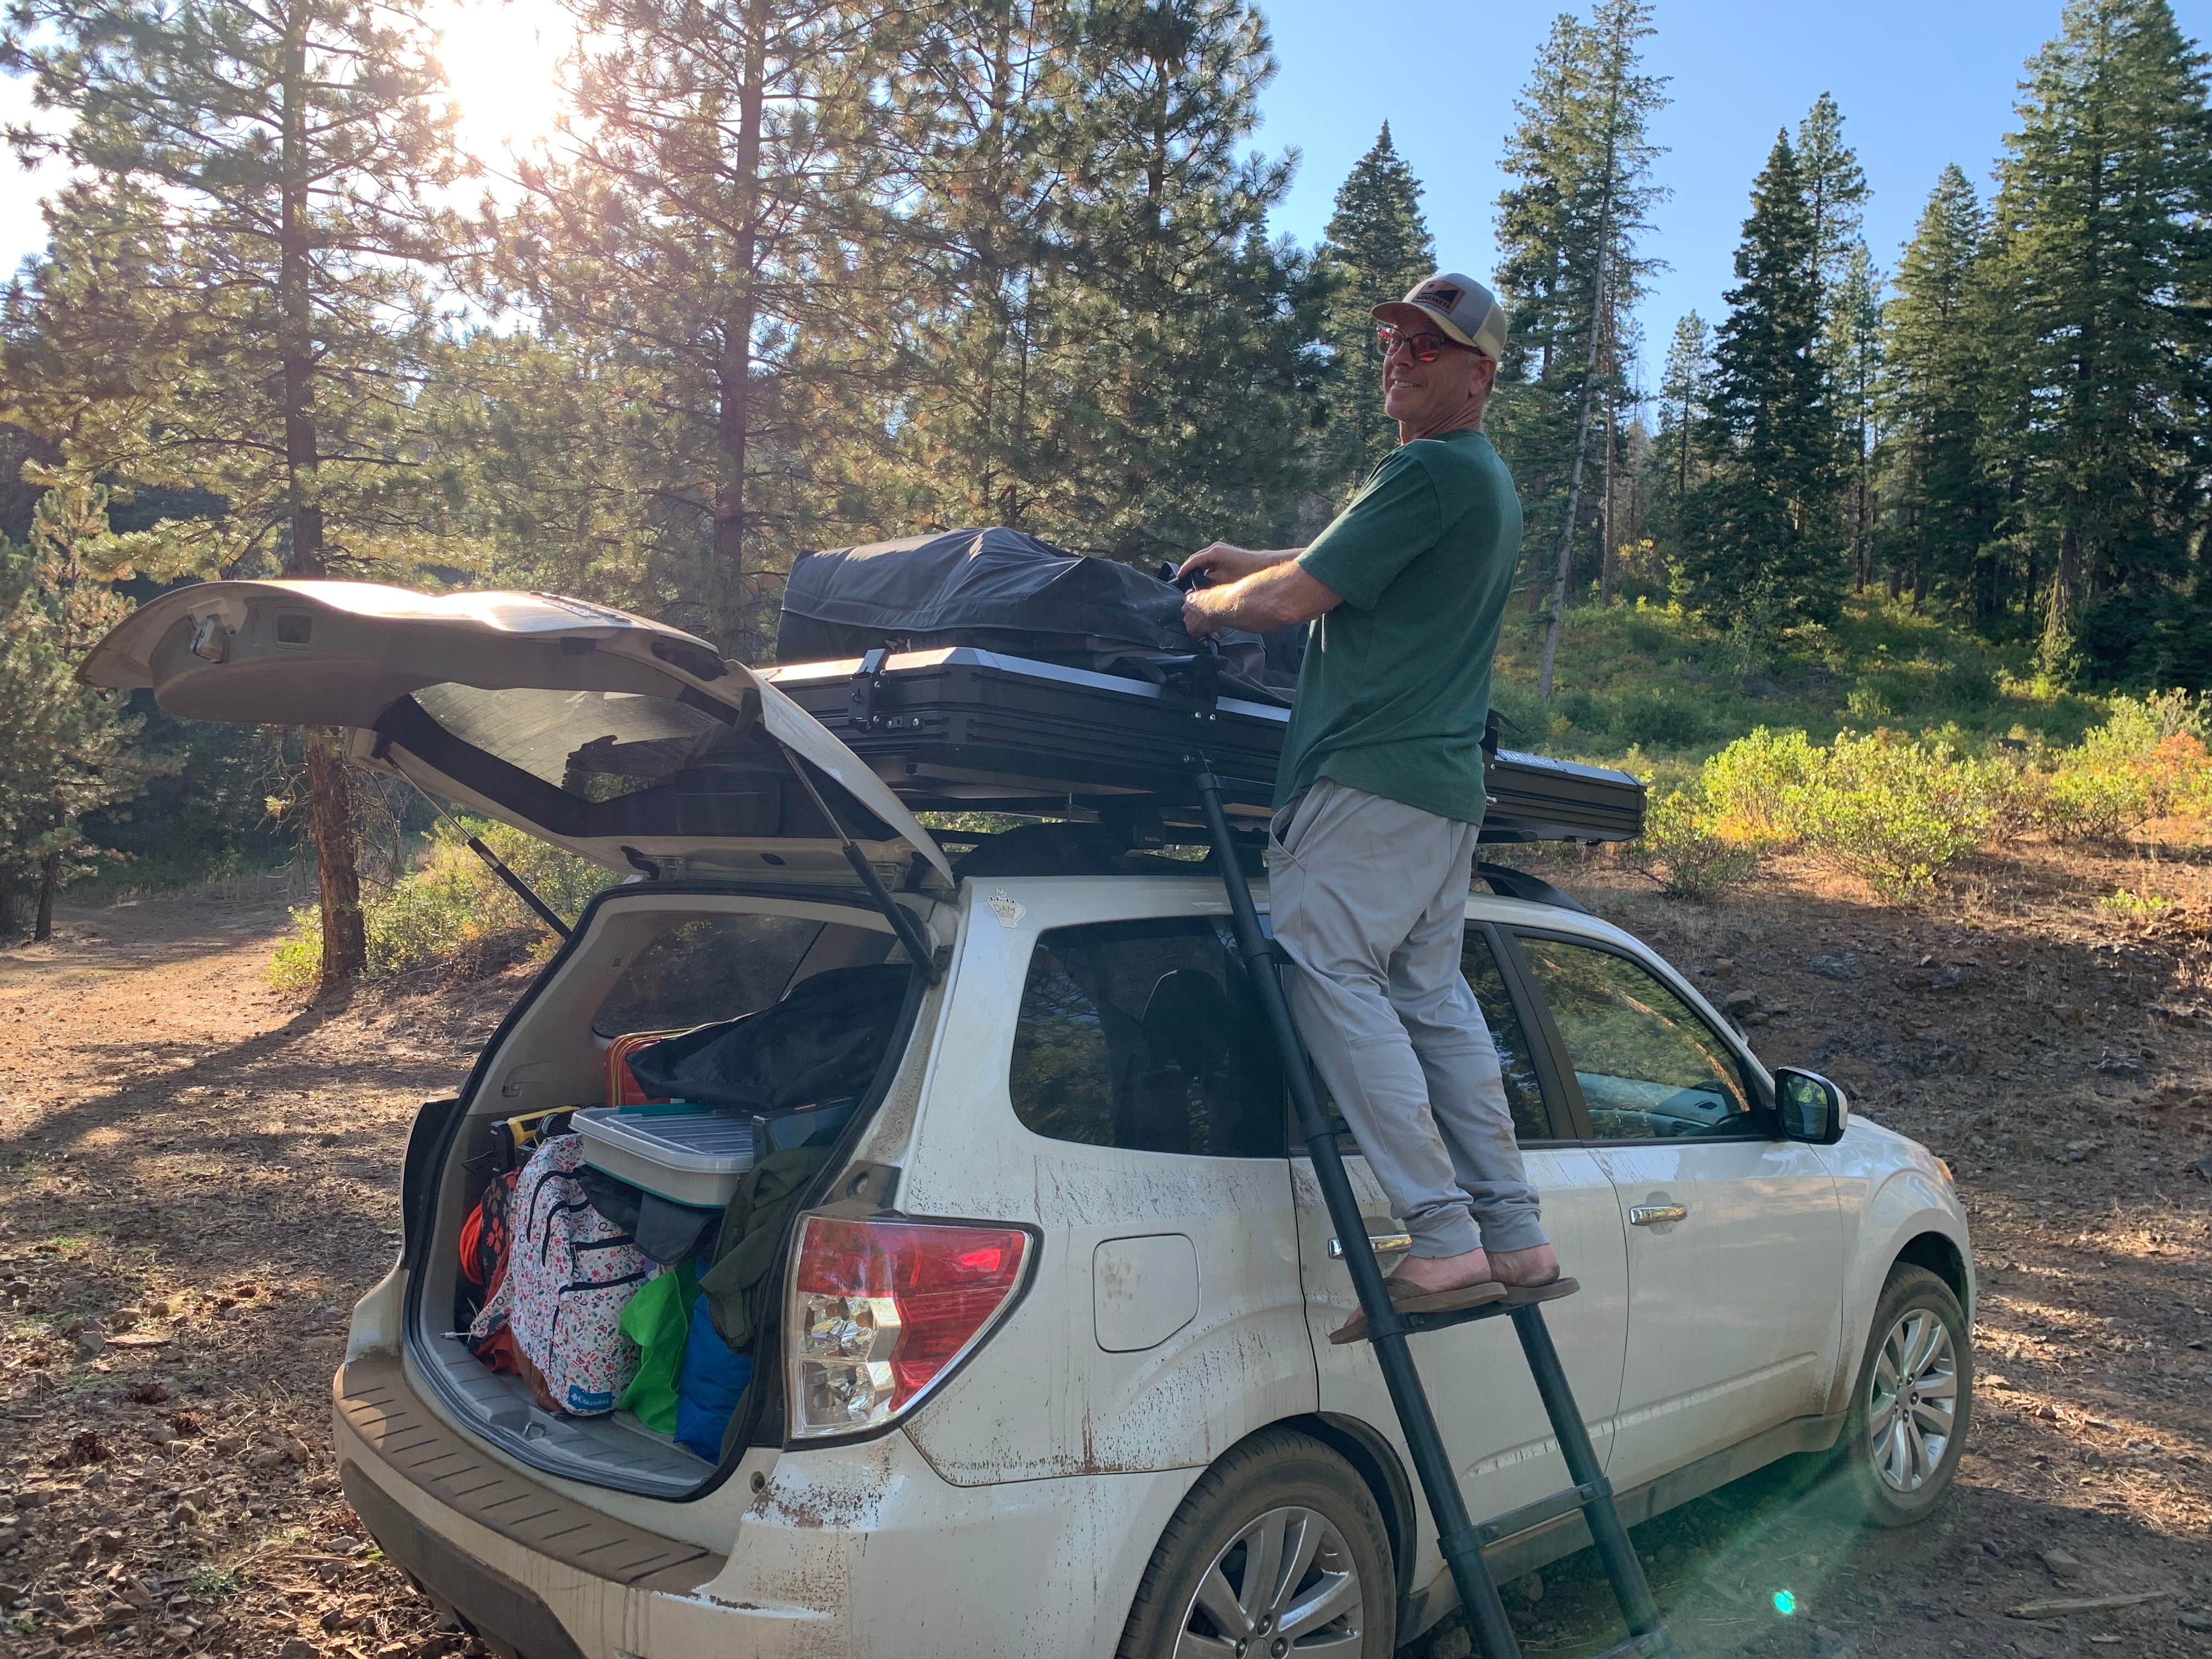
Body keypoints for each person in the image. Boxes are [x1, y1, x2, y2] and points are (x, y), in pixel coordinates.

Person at [1179, 271, 1558, 1340]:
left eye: (1427, 346)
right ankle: (1513, 1234)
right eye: (1393, 336)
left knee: (1325, 967)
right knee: (1430, 998)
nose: (1399, 354)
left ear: (1479, 376)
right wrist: (1247, 561)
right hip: (1440, 798)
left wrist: (1205, 609)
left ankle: (1439, 1241)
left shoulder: (1430, 469)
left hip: (1368, 785)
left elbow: (1297, 600)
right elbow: (1327, 567)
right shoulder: (1480, 482)